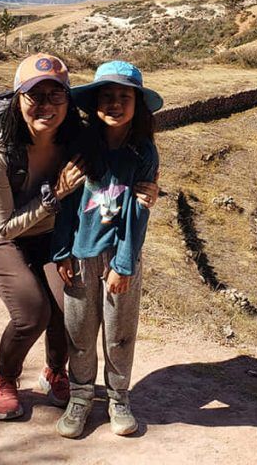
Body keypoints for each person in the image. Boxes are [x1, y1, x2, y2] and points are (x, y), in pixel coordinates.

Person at [0, 53, 83, 421]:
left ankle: (54, 372)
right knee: (33, 312)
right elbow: (5, 226)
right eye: (35, 96)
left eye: (56, 95)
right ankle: (5, 378)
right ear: (18, 99)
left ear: (68, 100)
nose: (46, 106)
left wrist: (146, 185)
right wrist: (54, 196)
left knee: (71, 308)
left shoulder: (74, 139)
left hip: (48, 234)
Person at [53, 60, 162, 439]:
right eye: (107, 96)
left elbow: (137, 215)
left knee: (119, 332)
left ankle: (118, 397)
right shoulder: (82, 147)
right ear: (95, 103)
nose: (115, 103)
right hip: (81, 255)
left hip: (120, 257)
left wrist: (124, 264)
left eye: (124, 97)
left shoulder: (143, 153)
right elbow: (67, 202)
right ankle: (81, 397)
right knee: (79, 332)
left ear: (137, 104)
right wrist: (62, 251)